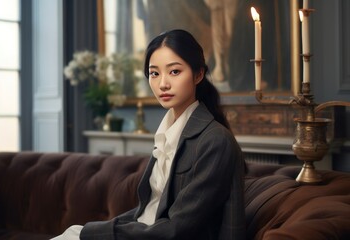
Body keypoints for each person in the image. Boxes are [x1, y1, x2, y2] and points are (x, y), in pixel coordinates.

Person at [53, 29, 245, 240]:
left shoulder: (215, 141)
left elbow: (177, 229)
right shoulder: (166, 135)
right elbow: (146, 212)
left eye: (174, 72)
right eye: (154, 73)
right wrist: (91, 231)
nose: (163, 84)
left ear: (198, 74)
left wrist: (93, 233)